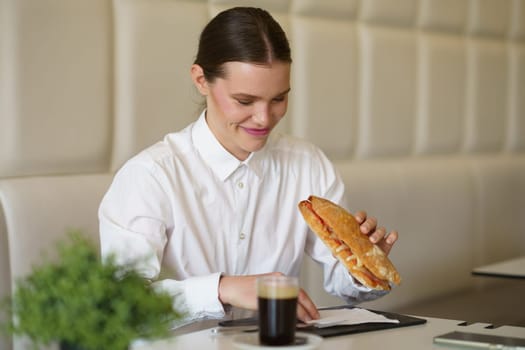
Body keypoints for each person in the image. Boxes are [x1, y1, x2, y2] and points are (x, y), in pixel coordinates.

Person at [98, 6, 399, 327]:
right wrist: (223, 288)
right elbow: (122, 305)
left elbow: (345, 286)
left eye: (278, 99)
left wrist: (365, 264)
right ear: (201, 80)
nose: (263, 118)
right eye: (245, 101)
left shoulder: (310, 165)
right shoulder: (151, 176)